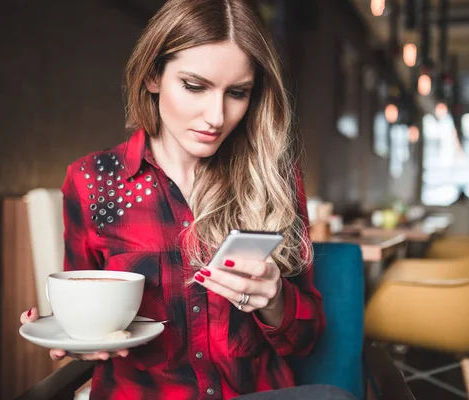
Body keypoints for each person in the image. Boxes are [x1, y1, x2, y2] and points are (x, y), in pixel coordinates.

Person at [20, 1, 356, 399]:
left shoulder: (273, 177)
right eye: (195, 86)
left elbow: (306, 339)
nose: (216, 116)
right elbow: (85, 313)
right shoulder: (93, 181)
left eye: (237, 93)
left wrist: (276, 298)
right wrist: (77, 338)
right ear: (152, 76)